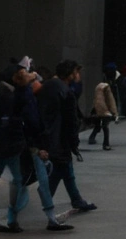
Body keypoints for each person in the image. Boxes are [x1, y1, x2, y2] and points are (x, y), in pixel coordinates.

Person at [0, 65, 72, 232]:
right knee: (24, 180)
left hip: (9, 142)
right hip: (16, 143)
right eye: (31, 77)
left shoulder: (7, 92)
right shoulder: (17, 95)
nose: (37, 81)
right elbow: (27, 120)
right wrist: (38, 143)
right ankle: (21, 219)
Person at [39, 61, 97, 212]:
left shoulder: (48, 85)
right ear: (70, 73)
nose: (78, 76)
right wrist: (74, 143)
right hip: (59, 139)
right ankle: (48, 200)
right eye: (76, 72)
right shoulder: (66, 92)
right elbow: (70, 122)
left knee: (65, 169)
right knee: (60, 169)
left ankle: (76, 199)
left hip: (49, 135)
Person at [88, 68, 118, 150]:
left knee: (98, 125)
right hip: (104, 110)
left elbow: (96, 99)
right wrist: (114, 113)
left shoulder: (98, 87)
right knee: (105, 127)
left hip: (97, 108)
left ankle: (92, 137)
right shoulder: (107, 87)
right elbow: (110, 100)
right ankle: (106, 144)